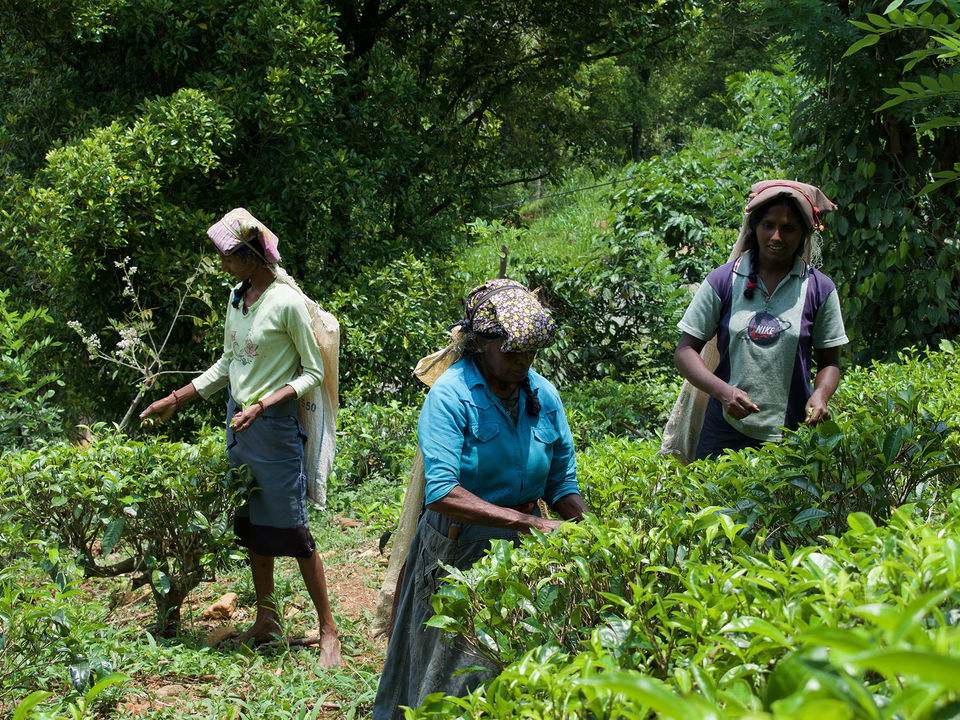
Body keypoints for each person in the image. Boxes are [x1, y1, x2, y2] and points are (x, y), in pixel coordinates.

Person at [372, 279, 587, 719]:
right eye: (511, 353)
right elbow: (443, 492)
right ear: (482, 346)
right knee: (451, 669)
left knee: (514, 663)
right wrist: (532, 524)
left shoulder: (543, 396)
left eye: (530, 353)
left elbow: (562, 483)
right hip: (458, 547)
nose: (522, 362)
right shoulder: (452, 395)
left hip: (523, 552)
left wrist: (593, 529)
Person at [139, 208, 342, 667]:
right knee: (253, 527)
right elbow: (230, 361)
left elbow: (312, 373)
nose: (224, 265)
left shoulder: (286, 303)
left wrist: (262, 405)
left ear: (254, 255)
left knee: (293, 530)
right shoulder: (237, 298)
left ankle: (328, 628)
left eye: (231, 257)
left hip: (272, 429)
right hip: (239, 425)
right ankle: (268, 619)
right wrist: (180, 396)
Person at [671, 179, 848, 460]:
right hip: (723, 434)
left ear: (804, 232)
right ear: (754, 227)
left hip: (791, 435)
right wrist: (724, 392)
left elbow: (830, 363)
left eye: (788, 228)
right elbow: (684, 351)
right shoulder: (723, 281)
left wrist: (820, 396)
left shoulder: (819, 289)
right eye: (768, 225)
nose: (777, 237)